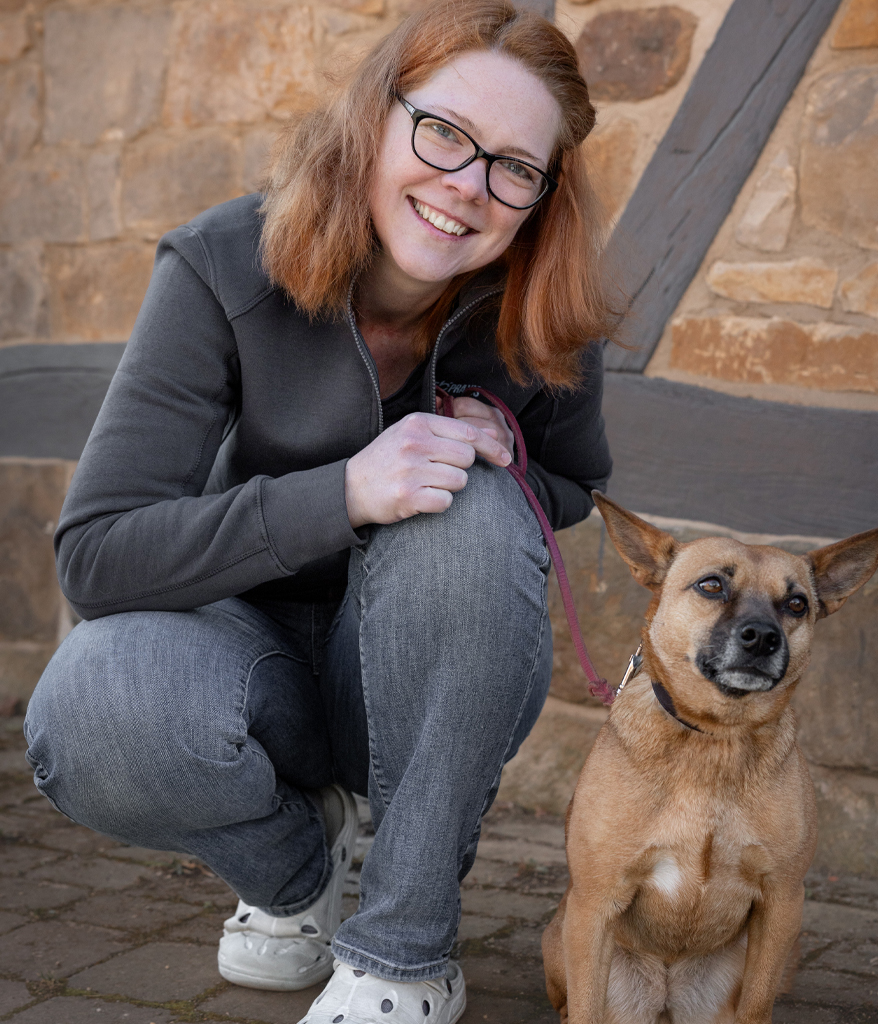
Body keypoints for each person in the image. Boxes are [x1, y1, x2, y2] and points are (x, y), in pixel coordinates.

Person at [24, 0, 615, 1020]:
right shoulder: (221, 264)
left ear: (542, 193)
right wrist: (345, 492)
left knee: (472, 504)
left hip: (417, 675)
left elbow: (571, 486)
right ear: (374, 118)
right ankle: (297, 875)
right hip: (237, 656)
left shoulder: (545, 308)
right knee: (91, 705)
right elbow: (97, 553)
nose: (468, 185)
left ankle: (404, 955)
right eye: (444, 132)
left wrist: (505, 451)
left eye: (515, 167)